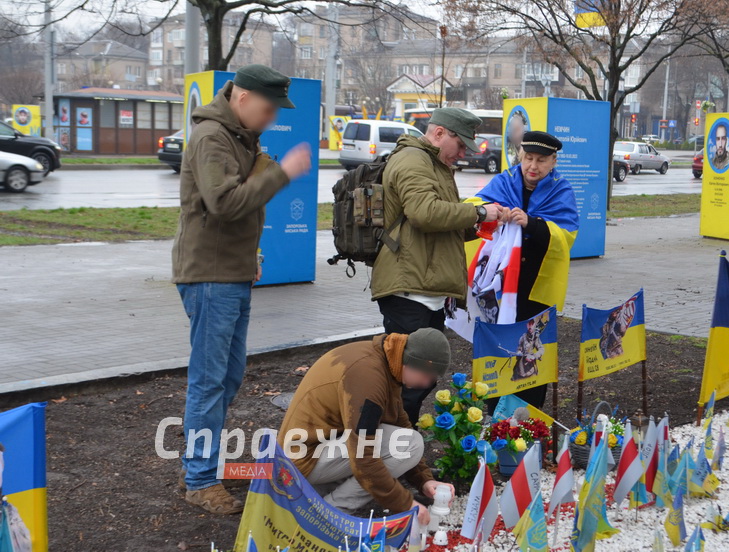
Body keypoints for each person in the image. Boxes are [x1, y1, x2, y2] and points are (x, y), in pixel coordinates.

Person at [172, 64, 312, 515]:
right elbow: (225, 203)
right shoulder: (213, 137)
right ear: (243, 98)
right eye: (268, 109)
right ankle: (199, 478)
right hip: (210, 277)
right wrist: (281, 172)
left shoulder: (238, 136)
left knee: (227, 377)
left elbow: (234, 210)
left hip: (228, 274)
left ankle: (199, 459)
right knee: (210, 381)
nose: (271, 118)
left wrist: (249, 257)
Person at [370, 107, 505, 425]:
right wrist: (478, 213)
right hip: (408, 288)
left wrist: (479, 226)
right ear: (440, 133)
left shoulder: (434, 165)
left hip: (425, 287)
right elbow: (424, 213)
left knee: (420, 378)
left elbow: (438, 224)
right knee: (408, 380)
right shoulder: (413, 160)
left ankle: (400, 440)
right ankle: (391, 443)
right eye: (461, 145)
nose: (463, 154)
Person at [278, 328, 456, 526]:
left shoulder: (386, 359)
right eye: (428, 376)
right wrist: (405, 503)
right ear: (412, 362)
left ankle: (318, 494)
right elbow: (364, 457)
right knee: (409, 444)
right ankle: (328, 514)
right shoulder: (368, 378)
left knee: (406, 440)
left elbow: (400, 423)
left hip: (317, 447)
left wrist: (424, 480)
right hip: (300, 461)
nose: (426, 384)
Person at [473, 130, 579, 411]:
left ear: (554, 161)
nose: (533, 166)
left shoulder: (561, 190)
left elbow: (566, 236)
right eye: (528, 158)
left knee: (532, 353)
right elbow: (473, 209)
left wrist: (531, 223)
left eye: (541, 160)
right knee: (499, 351)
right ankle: (495, 413)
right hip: (499, 289)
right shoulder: (503, 182)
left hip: (535, 292)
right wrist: (494, 212)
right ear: (520, 156)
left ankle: (528, 418)